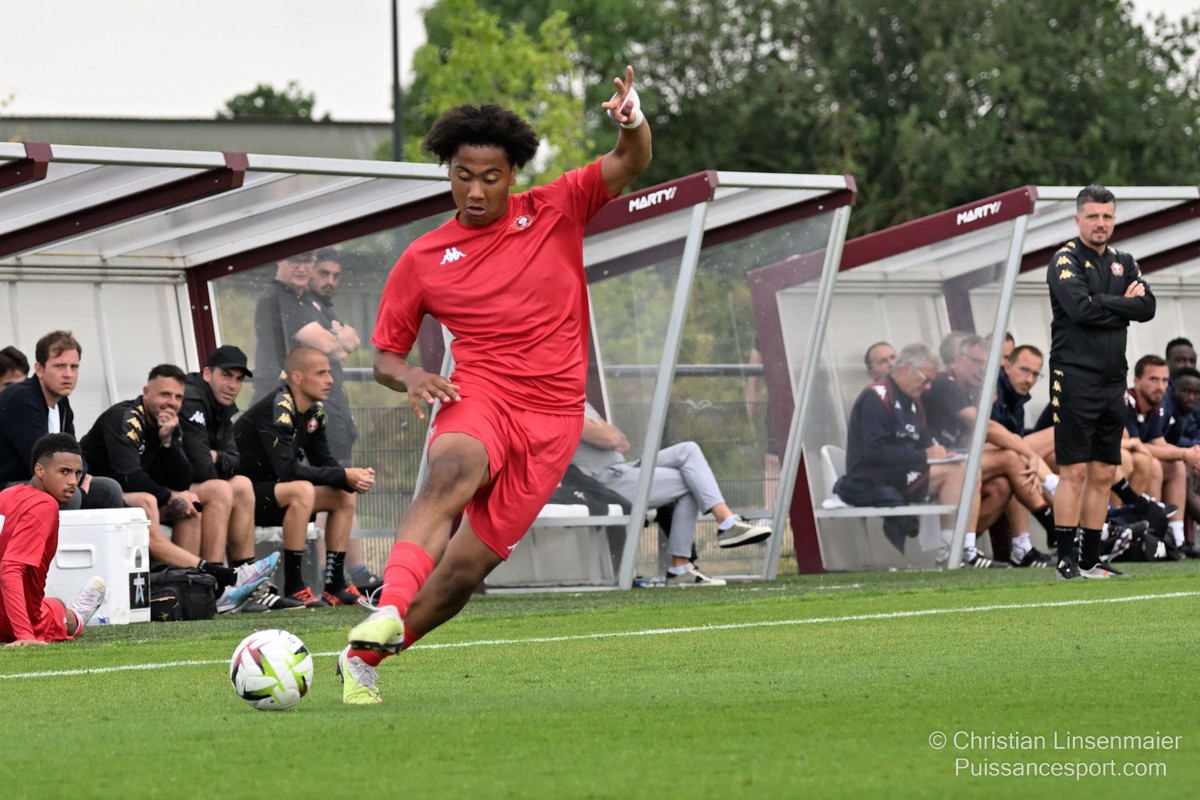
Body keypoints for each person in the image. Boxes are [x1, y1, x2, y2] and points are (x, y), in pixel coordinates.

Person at [340, 66, 652, 704]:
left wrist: (633, 121)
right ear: (448, 172)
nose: (475, 190)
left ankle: (362, 658)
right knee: (452, 470)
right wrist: (414, 375)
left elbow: (631, 160)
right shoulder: (423, 258)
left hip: (555, 422)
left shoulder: (558, 206)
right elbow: (385, 358)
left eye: (490, 177)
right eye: (463, 175)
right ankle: (389, 604)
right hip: (479, 395)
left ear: (513, 175)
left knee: (462, 574)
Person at [81, 364, 274, 604]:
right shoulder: (126, 417)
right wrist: (169, 496)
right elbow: (128, 476)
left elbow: (183, 478)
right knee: (149, 501)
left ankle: (196, 588)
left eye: (178, 397)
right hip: (99, 498)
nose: (171, 403)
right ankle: (219, 577)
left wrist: (168, 442)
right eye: (165, 395)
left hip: (134, 495)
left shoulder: (169, 423)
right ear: (146, 392)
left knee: (192, 505)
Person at [1046, 184, 1156, 580]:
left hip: (1113, 380)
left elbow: (1148, 306)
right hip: (1073, 376)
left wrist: (1103, 301)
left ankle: (1090, 560)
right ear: (1078, 219)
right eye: (1093, 216)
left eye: (1107, 216)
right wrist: (1123, 304)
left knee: (1105, 471)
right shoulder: (1065, 259)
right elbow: (1079, 309)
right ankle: (1065, 559)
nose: (1101, 223)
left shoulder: (1124, 261)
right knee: (1074, 470)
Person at [234, 345, 375, 608]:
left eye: (329, 372)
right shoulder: (277, 408)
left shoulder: (316, 412)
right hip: (245, 498)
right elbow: (287, 471)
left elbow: (323, 460)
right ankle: (295, 586)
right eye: (321, 373)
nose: (330, 380)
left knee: (344, 494)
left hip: (276, 496)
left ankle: (335, 586)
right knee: (302, 489)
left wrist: (351, 478)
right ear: (297, 377)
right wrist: (343, 474)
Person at [572, 403, 770, 586]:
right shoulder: (562, 406)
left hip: (624, 469)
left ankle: (725, 524)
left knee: (689, 450)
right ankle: (684, 563)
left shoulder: (582, 402)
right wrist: (603, 431)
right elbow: (612, 438)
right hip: (603, 482)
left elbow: (623, 444)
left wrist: (602, 432)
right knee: (690, 479)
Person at [838, 342, 977, 567]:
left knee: (962, 467)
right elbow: (872, 453)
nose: (928, 387)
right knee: (955, 473)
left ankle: (958, 547)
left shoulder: (913, 402)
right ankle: (950, 551)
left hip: (901, 471)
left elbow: (924, 441)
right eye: (925, 379)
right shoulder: (876, 397)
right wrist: (924, 456)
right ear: (905, 369)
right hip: (873, 479)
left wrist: (941, 454)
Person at [923, 334, 1053, 567]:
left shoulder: (978, 389)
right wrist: (1031, 455)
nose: (982, 368)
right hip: (930, 465)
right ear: (958, 359)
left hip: (959, 460)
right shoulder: (945, 384)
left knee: (1002, 487)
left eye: (985, 363)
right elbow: (985, 426)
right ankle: (1054, 524)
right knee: (1013, 455)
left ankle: (974, 548)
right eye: (976, 361)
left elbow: (977, 438)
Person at [180, 345, 281, 613]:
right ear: (207, 374)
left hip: (191, 483)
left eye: (238, 379)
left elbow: (237, 462)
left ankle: (246, 580)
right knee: (220, 489)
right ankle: (215, 586)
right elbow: (201, 468)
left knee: (243, 485)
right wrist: (217, 460)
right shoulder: (191, 398)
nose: (233, 385)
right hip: (165, 486)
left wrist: (216, 457)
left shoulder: (222, 407)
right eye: (226, 375)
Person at [0, 434, 106, 645]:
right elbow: (9, 570)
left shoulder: (6, 494)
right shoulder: (45, 505)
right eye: (64, 472)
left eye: (77, 473)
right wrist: (25, 635)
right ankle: (77, 617)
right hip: (13, 622)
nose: (73, 481)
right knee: (61, 614)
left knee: (52, 602)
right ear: (40, 470)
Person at [0, 331, 123, 510]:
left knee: (108, 490)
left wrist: (78, 474)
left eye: (74, 367)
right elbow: (43, 462)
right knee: (67, 495)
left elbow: (76, 454)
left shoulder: (62, 403)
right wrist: (76, 477)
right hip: (8, 487)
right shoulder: (21, 397)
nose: (68, 374)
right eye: (60, 366)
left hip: (44, 481)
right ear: (39, 369)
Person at [1125, 354, 1199, 554]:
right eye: (1153, 379)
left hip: (1130, 463)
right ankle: (1151, 533)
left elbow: (1159, 443)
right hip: (1103, 461)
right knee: (1153, 464)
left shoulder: (1155, 408)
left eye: (1165, 380)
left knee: (1176, 466)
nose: (1160, 386)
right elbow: (1135, 445)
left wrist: (1193, 455)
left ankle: (1178, 539)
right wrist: (1185, 453)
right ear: (1136, 381)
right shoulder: (1127, 402)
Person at [252, 251, 317, 405]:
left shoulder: (303, 298)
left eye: (307, 261)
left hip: (297, 391)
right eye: (295, 261)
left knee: (320, 417)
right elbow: (328, 345)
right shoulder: (278, 296)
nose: (301, 268)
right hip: (277, 393)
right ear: (280, 261)